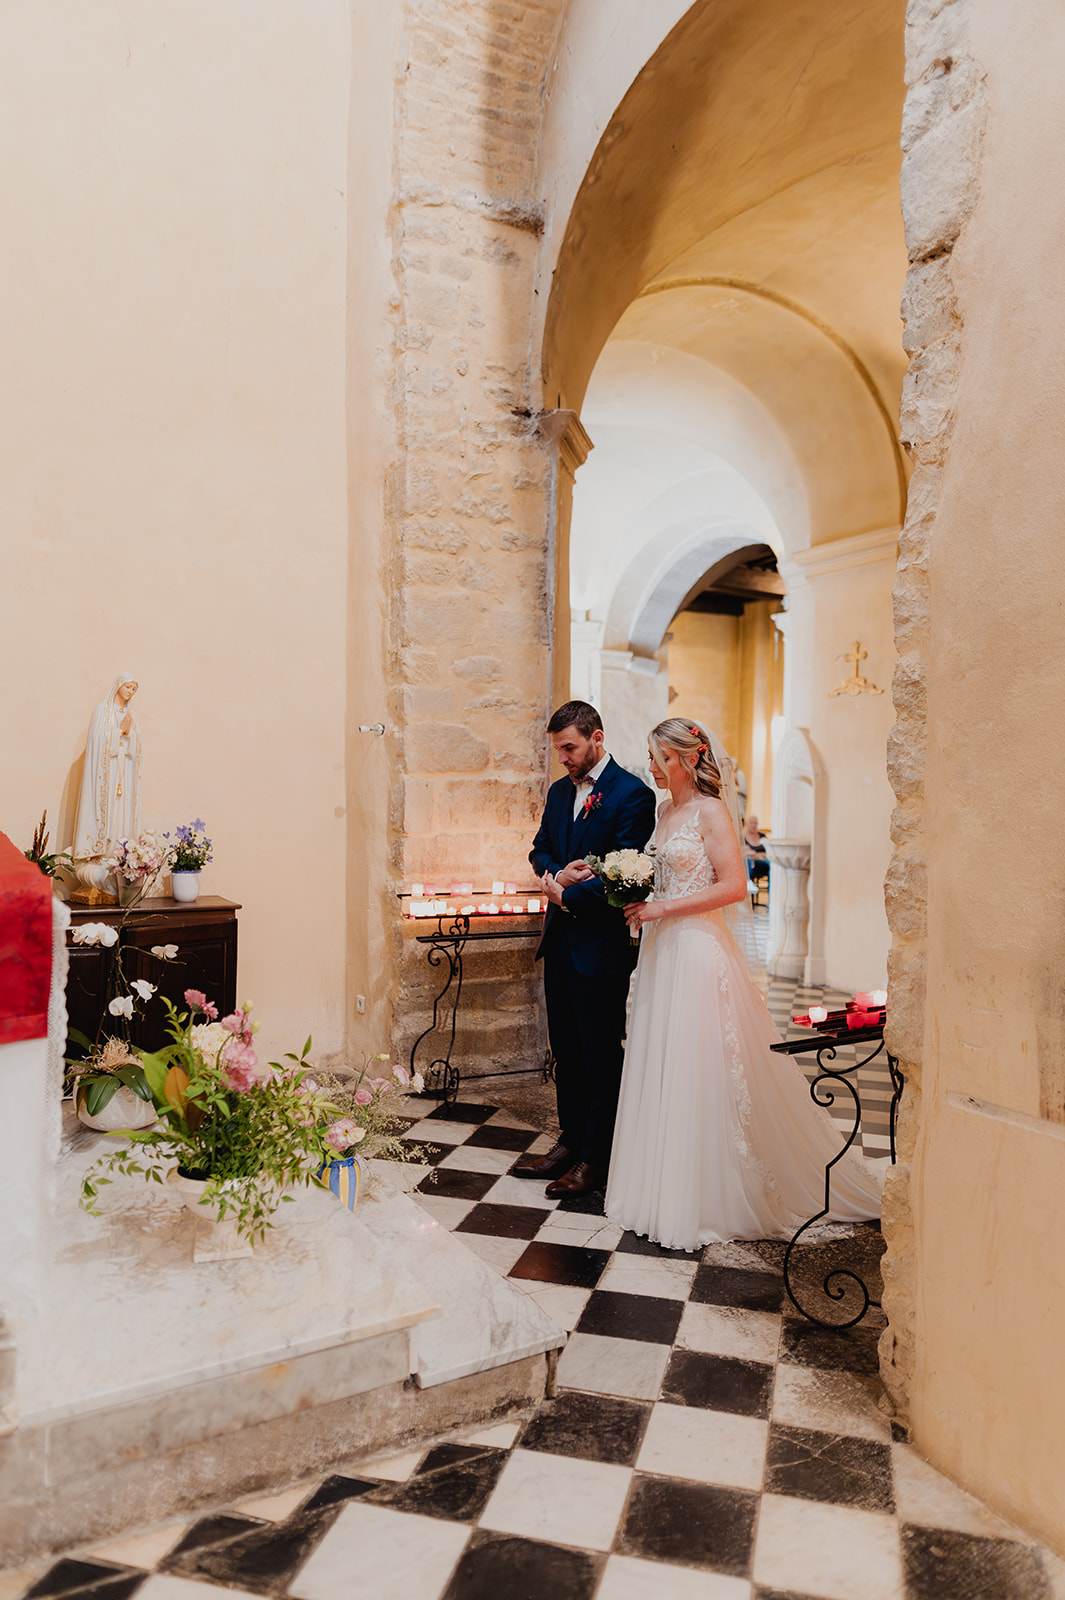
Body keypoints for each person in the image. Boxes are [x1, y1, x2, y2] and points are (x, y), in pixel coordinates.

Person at [605, 717, 883, 1251]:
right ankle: (657, 1189)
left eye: (660, 757)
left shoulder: (710, 812)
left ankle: (706, 1198)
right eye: (650, 755)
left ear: (690, 757)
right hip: (663, 952)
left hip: (697, 951)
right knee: (663, 1062)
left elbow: (733, 886)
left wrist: (662, 906)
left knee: (698, 1069)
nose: (652, 766)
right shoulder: (664, 812)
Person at [517, 701, 656, 1196]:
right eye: (558, 749)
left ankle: (597, 1158)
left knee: (599, 1055)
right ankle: (570, 1141)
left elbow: (628, 875)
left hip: (601, 948)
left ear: (597, 737)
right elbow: (540, 848)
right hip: (560, 943)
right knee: (568, 1053)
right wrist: (556, 876)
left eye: (570, 747)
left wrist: (568, 895)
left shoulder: (633, 795)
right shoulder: (559, 792)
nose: (563, 758)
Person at [71, 673, 142, 860]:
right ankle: (98, 852)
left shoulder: (130, 714)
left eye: (134, 689)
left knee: (120, 811)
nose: (130, 692)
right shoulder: (102, 710)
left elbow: (136, 746)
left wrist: (129, 734)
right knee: (106, 809)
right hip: (105, 773)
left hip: (123, 771)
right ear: (118, 685)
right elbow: (97, 741)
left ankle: (118, 853)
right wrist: (120, 731)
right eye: (128, 687)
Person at [744, 811, 770, 887]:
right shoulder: (742, 838)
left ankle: (772, 892)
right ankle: (748, 884)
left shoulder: (762, 836)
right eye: (751, 823)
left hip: (764, 862)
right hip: (752, 863)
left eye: (756, 823)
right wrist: (758, 855)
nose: (754, 825)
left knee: (772, 865)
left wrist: (756, 854)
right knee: (748, 861)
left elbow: (769, 851)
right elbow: (746, 854)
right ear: (747, 824)